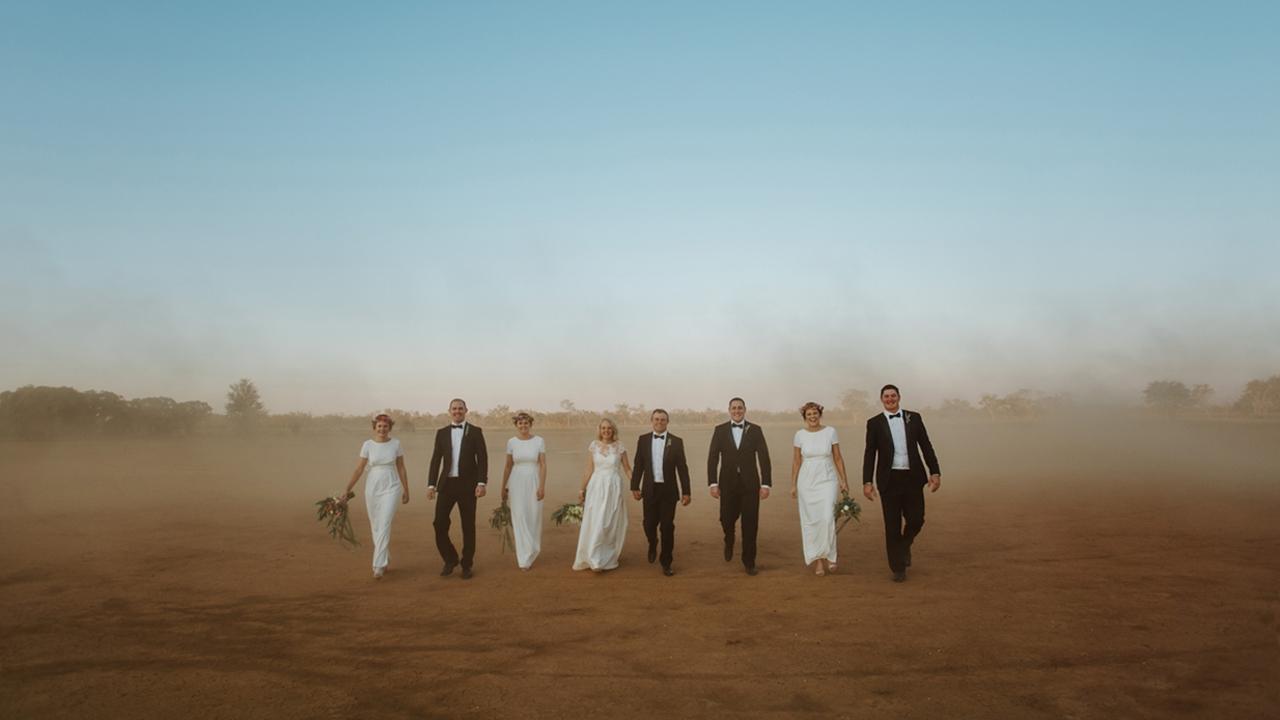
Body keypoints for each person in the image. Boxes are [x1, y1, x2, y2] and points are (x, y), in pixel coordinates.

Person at [862, 384, 942, 583]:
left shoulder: (913, 418)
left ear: (899, 397)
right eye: (886, 396)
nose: (890, 399)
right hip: (889, 480)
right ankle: (898, 568)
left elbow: (926, 445)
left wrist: (935, 471)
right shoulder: (874, 423)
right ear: (881, 399)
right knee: (892, 526)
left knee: (916, 519)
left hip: (913, 477)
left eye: (893, 395)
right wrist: (867, 481)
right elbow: (870, 453)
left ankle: (904, 546)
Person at [707, 397, 772, 575]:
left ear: (745, 410)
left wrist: (766, 484)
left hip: (750, 484)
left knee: (750, 524)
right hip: (727, 484)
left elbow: (764, 458)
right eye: (734, 408)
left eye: (740, 408)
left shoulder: (756, 430)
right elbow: (713, 458)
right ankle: (729, 539)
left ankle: (749, 561)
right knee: (726, 519)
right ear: (729, 410)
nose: (737, 411)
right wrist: (713, 483)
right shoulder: (719, 430)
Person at [340, 413, 410, 579]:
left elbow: (401, 467)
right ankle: (384, 557)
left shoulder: (396, 444)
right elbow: (359, 469)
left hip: (392, 485)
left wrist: (406, 489)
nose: (382, 429)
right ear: (374, 428)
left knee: (384, 522)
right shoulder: (367, 445)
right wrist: (347, 489)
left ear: (389, 428)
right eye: (379, 426)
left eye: (385, 426)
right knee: (376, 524)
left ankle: (378, 565)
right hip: (373, 486)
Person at [427, 398, 489, 580]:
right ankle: (450, 558)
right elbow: (435, 460)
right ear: (449, 411)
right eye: (454, 409)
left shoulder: (476, 432)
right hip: (446, 485)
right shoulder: (442, 433)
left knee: (468, 526)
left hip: (468, 486)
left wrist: (481, 483)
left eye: (460, 408)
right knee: (439, 524)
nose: (457, 411)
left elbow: (483, 459)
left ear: (466, 410)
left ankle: (467, 565)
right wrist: (431, 485)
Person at [790, 402, 850, 576]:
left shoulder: (830, 432)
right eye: (809, 414)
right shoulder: (799, 435)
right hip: (806, 481)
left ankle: (831, 556)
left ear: (820, 414)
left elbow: (838, 458)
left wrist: (843, 480)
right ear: (805, 417)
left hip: (827, 478)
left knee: (827, 517)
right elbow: (796, 461)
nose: (812, 417)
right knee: (811, 521)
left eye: (815, 413)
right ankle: (818, 561)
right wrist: (793, 484)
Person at [630, 409, 691, 577]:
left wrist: (686, 491)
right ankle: (652, 542)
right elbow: (638, 464)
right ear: (651, 421)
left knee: (667, 527)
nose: (659, 422)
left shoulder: (676, 442)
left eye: (663, 420)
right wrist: (635, 486)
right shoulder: (643, 440)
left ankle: (666, 562)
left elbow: (682, 468)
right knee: (648, 524)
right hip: (649, 490)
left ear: (667, 422)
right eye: (656, 419)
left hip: (668, 491)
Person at [573, 418, 633, 572]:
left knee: (610, 522)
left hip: (614, 487)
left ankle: (607, 556)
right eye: (603, 428)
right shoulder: (594, 446)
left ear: (613, 430)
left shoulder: (620, 447)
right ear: (599, 430)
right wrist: (582, 489)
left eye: (609, 428)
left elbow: (627, 468)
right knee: (597, 520)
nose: (606, 431)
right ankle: (594, 559)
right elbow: (589, 469)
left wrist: (636, 485)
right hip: (596, 486)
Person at [500, 411, 546, 570]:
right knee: (519, 516)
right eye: (520, 423)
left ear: (530, 424)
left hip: (533, 480)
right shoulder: (511, 442)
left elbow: (543, 465)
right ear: (516, 425)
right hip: (516, 481)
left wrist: (542, 486)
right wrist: (503, 487)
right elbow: (508, 466)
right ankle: (524, 557)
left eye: (526, 423)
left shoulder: (539, 440)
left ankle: (532, 548)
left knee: (533, 514)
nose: (523, 426)